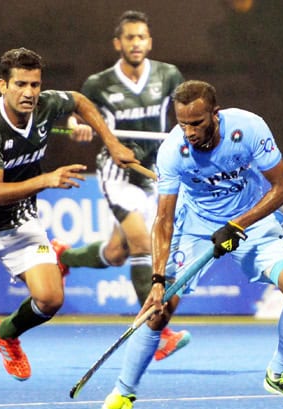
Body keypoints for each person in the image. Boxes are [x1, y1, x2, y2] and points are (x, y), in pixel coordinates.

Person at [100, 80, 283, 409]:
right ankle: (123, 393)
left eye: (196, 123)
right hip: (195, 226)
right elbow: (163, 220)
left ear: (215, 115)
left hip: (251, 218)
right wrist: (157, 280)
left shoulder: (249, 128)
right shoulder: (173, 151)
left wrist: (237, 224)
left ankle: (280, 373)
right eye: (182, 123)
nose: (189, 132)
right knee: (158, 311)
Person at [0, 47, 138, 381]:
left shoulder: (46, 106)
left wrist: (111, 143)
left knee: (51, 299)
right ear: (3, 85)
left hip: (20, 222)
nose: (29, 92)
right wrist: (47, 180)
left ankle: (5, 335)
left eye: (35, 84)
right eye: (20, 84)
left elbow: (79, 101)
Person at [51, 10, 190, 361]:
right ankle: (157, 331)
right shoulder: (98, 84)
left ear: (150, 41)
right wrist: (77, 127)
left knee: (117, 253)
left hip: (155, 171)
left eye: (141, 37)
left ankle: (62, 256)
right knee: (143, 243)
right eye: (130, 37)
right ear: (118, 43)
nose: (136, 43)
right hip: (118, 172)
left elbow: (185, 113)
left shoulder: (168, 75)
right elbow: (76, 117)